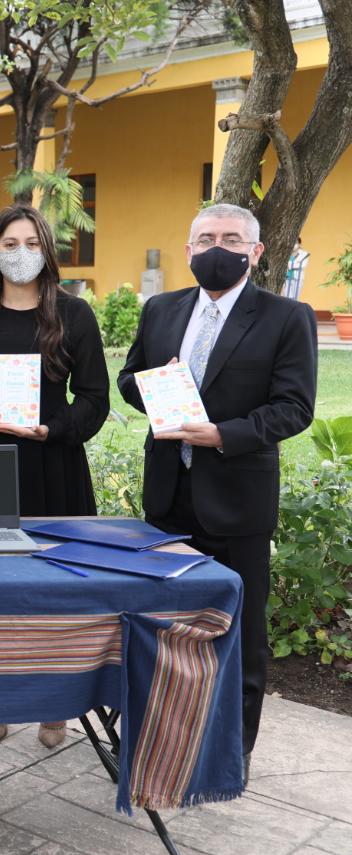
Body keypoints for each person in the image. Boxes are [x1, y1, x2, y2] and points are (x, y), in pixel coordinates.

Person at [118, 203, 317, 782]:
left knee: (241, 631)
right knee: (162, 623)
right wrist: (157, 389)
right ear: (188, 250)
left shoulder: (286, 317)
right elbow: (129, 378)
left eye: (231, 239)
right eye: (205, 239)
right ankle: (158, 734)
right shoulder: (161, 309)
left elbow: (294, 407)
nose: (217, 248)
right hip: (167, 498)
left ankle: (234, 747)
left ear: (255, 251)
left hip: (237, 501)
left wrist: (222, 434)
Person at [0, 205, 109, 749]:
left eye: (32, 243)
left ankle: (54, 702)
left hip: (52, 465)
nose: (21, 254)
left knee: (55, 588)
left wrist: (53, 428)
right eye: (10, 244)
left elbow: (95, 400)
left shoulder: (74, 314)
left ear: (47, 251)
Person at [283, 236, 310, 301]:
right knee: (286, 298)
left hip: (297, 278)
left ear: (299, 244)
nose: (293, 244)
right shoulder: (285, 253)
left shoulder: (304, 254)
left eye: (295, 243)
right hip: (286, 278)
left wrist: (289, 265)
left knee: (295, 298)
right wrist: (295, 264)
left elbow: (302, 265)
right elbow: (283, 264)